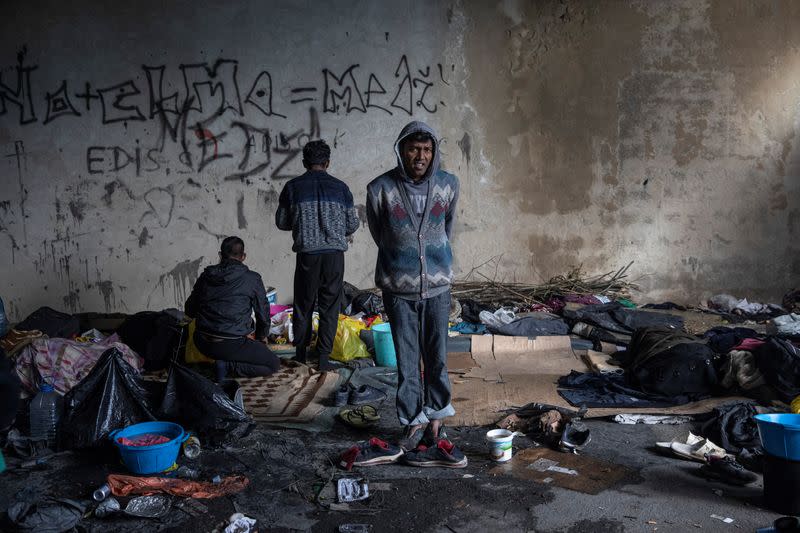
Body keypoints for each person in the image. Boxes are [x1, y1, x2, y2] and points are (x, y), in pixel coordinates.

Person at [366, 121, 466, 467]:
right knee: (407, 361)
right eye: (413, 149)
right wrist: (404, 262)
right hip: (398, 288)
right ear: (401, 150)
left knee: (436, 357)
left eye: (427, 150)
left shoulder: (449, 185)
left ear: (433, 152)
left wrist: (431, 263)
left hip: (438, 287)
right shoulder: (380, 188)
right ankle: (412, 421)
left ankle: (436, 420)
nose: (420, 156)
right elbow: (381, 234)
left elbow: (446, 229)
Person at [276, 140, 359, 371]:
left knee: (303, 305)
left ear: (304, 163)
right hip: (334, 256)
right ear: (327, 162)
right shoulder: (341, 188)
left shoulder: (293, 187)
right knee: (329, 306)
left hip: (307, 256)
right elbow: (352, 224)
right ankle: (323, 359)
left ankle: (301, 356)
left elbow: (282, 222)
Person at [185, 236, 280, 381]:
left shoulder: (206, 275)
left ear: (220, 255)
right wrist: (261, 337)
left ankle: (221, 362)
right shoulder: (252, 279)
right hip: (231, 344)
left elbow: (189, 310)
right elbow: (263, 313)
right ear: (243, 257)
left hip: (202, 341)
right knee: (273, 364)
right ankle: (228, 366)